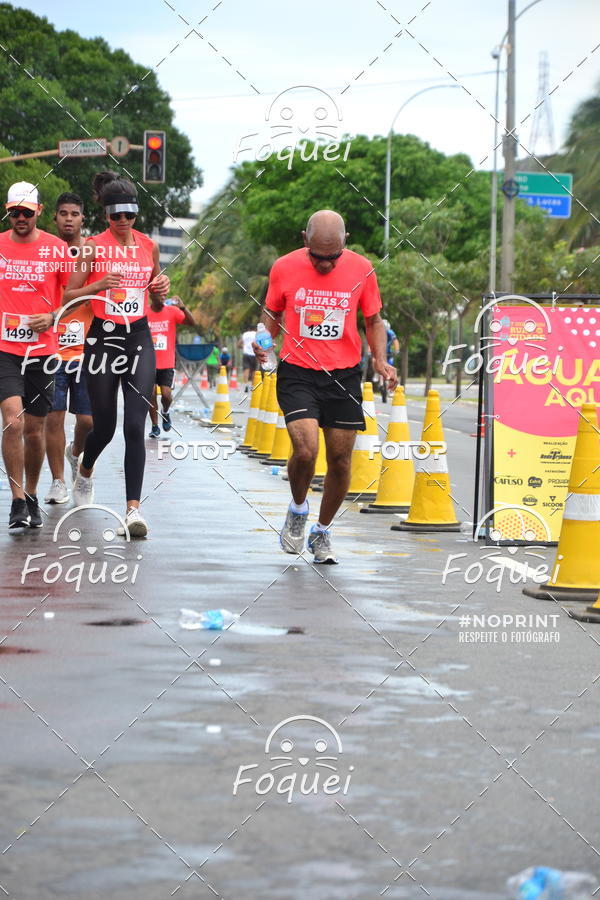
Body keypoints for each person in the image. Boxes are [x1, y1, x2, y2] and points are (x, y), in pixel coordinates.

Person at [254, 209, 397, 563]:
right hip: (298, 370)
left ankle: (322, 531)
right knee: (305, 449)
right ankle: (298, 510)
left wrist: (380, 359)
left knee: (339, 459)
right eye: (318, 258)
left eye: (333, 258)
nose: (326, 266)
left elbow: (374, 320)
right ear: (305, 240)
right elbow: (271, 312)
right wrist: (263, 339)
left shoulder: (362, 269)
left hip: (345, 374)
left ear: (344, 244)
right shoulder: (284, 267)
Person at [63, 171, 169, 536]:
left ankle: (133, 510)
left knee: (135, 426)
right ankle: (84, 465)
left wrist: (160, 290)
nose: (123, 222)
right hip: (103, 339)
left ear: (137, 214)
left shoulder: (147, 246)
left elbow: (157, 300)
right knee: (104, 427)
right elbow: (67, 296)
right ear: (105, 215)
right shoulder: (91, 247)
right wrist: (97, 285)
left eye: (129, 215)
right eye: (115, 215)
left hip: (138, 337)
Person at [0, 181, 66, 529]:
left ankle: (32, 494)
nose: (20, 217)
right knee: (13, 418)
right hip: (5, 349)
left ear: (39, 211)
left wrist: (54, 315)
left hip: (42, 351)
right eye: (14, 212)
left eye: (27, 211)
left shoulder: (55, 249)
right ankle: (14, 502)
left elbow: (74, 297)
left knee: (35, 431)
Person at [44, 192, 94, 504]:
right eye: (63, 213)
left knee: (87, 422)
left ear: (82, 219)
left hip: (87, 350)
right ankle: (58, 482)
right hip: (51, 349)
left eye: (74, 214)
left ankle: (75, 453)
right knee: (53, 417)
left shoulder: (92, 251)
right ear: (54, 218)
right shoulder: (46, 250)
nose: (68, 219)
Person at [147, 294, 195, 437]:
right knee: (151, 394)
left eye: (164, 296)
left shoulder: (172, 311)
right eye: (159, 295)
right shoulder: (145, 313)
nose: (163, 298)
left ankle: (165, 412)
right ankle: (155, 426)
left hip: (167, 362)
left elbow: (192, 322)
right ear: (151, 297)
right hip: (148, 362)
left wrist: (183, 307)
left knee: (167, 395)